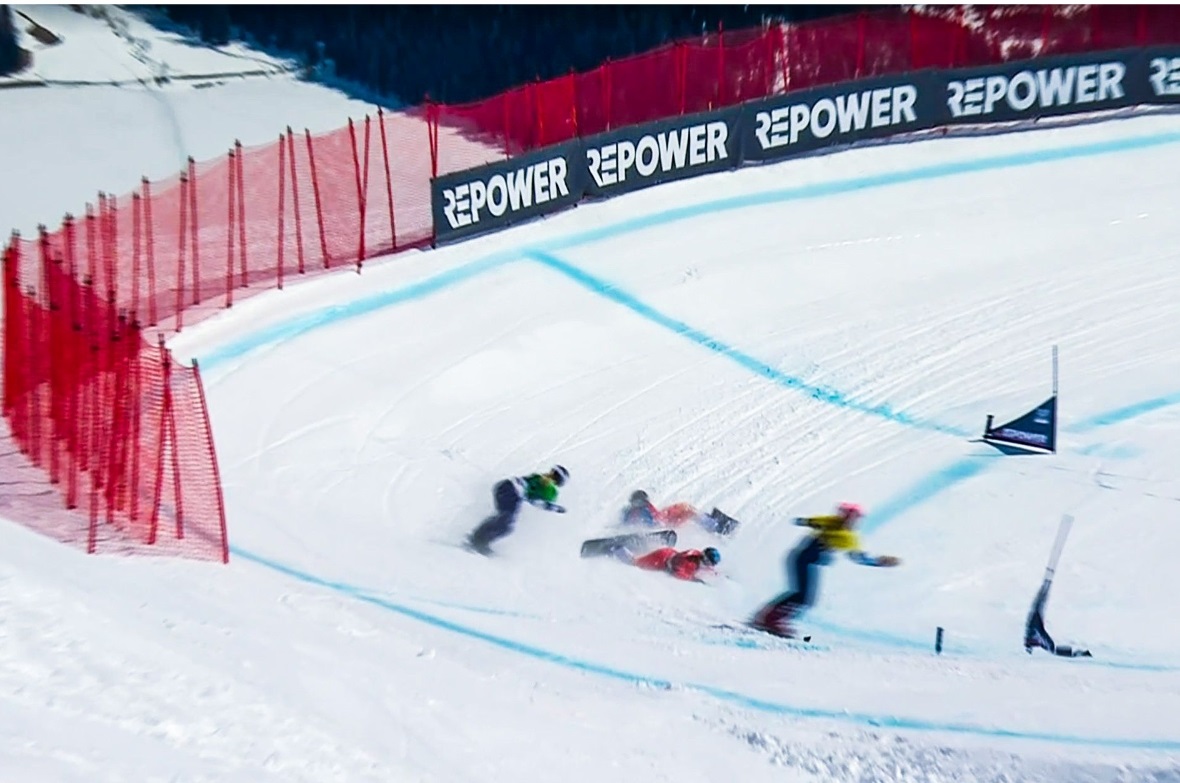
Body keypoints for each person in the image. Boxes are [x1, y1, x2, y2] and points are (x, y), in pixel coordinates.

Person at [750, 502, 900, 638]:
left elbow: (808, 521)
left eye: (853, 518)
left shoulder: (838, 528)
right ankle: (769, 619)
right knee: (803, 597)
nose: (851, 521)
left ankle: (767, 617)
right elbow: (859, 557)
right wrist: (879, 562)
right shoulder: (841, 531)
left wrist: (878, 561)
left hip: (802, 559)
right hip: (804, 561)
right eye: (849, 517)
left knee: (802, 596)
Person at [467, 465, 569, 555]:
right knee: (505, 523)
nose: (549, 476)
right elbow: (538, 501)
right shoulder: (542, 483)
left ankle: (478, 538)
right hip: (511, 491)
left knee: (504, 520)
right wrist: (554, 508)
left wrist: (552, 506)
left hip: (506, 489)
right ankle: (478, 541)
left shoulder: (547, 488)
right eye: (552, 473)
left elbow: (536, 500)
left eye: (554, 477)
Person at [622, 490, 739, 535]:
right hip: (664, 523)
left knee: (685, 507)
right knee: (688, 511)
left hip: (663, 518)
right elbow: (652, 523)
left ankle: (711, 521)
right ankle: (715, 526)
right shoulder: (637, 512)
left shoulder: (642, 509)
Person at [1024, 580, 1092, 658]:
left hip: (1035, 630)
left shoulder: (1033, 627)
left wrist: (1046, 585)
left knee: (1052, 649)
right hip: (1036, 630)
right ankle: (1077, 654)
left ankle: (1076, 654)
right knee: (1052, 649)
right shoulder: (1033, 628)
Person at [612, 543, 722, 582]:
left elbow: (709, 571)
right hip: (660, 559)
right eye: (707, 561)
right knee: (635, 563)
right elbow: (677, 571)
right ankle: (617, 548)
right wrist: (693, 579)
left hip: (668, 554)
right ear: (703, 556)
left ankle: (634, 548)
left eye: (710, 563)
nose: (707, 564)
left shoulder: (700, 563)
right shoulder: (689, 560)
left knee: (640, 559)